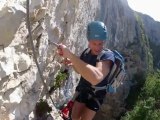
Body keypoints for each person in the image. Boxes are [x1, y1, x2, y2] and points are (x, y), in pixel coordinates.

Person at [57, 21, 115, 120]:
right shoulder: (86, 52)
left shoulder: (107, 56)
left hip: (96, 95)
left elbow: (96, 78)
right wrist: (73, 63)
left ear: (104, 41)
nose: (97, 47)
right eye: (94, 43)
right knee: (74, 118)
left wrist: (71, 55)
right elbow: (80, 71)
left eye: (100, 43)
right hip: (82, 90)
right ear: (88, 41)